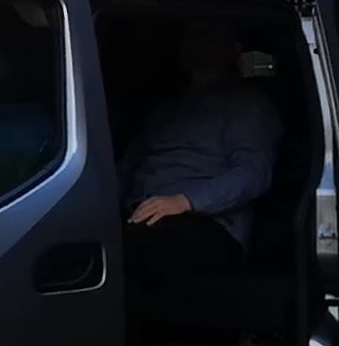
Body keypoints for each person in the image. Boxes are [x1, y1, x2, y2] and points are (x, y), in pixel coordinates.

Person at [118, 19, 283, 279]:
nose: (198, 45)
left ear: (233, 50)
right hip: (141, 214)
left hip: (208, 224)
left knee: (116, 255)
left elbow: (253, 173)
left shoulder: (246, 105)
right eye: (192, 37)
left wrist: (185, 201)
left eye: (209, 37)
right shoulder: (168, 108)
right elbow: (130, 163)